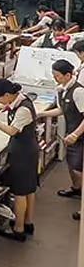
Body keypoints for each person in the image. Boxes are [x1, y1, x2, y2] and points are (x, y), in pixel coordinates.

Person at [0, 79, 38, 241]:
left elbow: (13, 130)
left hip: (23, 153)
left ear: (7, 95)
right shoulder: (18, 99)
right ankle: (28, 222)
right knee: (29, 189)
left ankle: (18, 230)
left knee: (20, 192)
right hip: (28, 150)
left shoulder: (23, 110)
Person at [38, 60, 84, 214]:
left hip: (79, 134)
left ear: (68, 75)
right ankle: (76, 188)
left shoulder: (78, 92)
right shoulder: (61, 89)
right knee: (71, 165)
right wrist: (41, 113)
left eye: (57, 76)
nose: (55, 78)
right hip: (70, 133)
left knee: (78, 168)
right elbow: (60, 110)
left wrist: (75, 134)